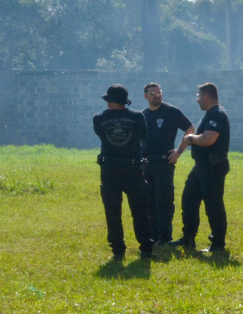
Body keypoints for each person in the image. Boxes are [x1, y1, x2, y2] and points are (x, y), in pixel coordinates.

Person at [92, 84, 154, 260]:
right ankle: (146, 249)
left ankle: (118, 250)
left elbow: (101, 135)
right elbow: (142, 136)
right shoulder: (137, 116)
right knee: (140, 210)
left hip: (109, 169)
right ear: (125, 102)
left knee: (112, 212)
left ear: (109, 101)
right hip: (133, 168)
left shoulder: (98, 118)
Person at [169, 82, 230, 253]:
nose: (197, 101)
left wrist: (190, 139)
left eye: (198, 97)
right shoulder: (210, 114)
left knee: (213, 205)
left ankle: (218, 244)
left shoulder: (216, 114)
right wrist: (179, 151)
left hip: (212, 167)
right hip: (201, 166)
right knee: (188, 200)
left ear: (207, 96)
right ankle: (188, 238)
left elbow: (208, 139)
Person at [140, 82, 195, 246]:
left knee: (164, 200)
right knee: (149, 200)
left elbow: (190, 128)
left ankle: (165, 237)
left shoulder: (171, 111)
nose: (157, 95)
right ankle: (153, 236)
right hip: (146, 163)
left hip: (165, 162)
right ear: (145, 96)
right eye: (152, 93)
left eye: (159, 92)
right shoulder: (143, 115)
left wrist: (179, 151)